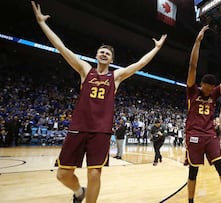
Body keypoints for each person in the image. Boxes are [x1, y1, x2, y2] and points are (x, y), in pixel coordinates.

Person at [31, 2, 167, 202]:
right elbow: (61, 47)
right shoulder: (85, 70)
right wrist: (42, 23)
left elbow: (141, 63)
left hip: (101, 130)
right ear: (96, 55)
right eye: (101, 51)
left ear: (111, 59)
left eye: (108, 53)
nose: (104, 54)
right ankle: (79, 192)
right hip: (78, 127)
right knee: (62, 174)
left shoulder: (116, 77)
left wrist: (156, 49)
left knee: (95, 173)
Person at [185, 25, 221, 203]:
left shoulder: (215, 94)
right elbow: (193, 65)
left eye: (210, 89)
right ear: (201, 85)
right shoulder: (193, 91)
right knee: (193, 171)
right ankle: (191, 201)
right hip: (193, 135)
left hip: (209, 135)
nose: (208, 92)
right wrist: (198, 41)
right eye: (205, 89)